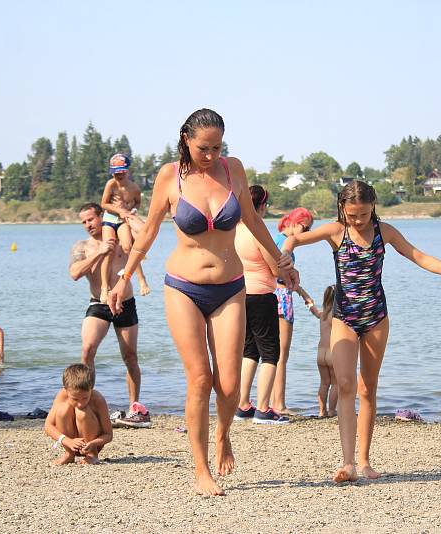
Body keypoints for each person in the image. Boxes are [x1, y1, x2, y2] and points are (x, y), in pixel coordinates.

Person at [107, 108, 299, 496]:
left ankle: (223, 434)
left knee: (228, 385)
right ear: (186, 140)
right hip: (184, 287)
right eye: (203, 148)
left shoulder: (234, 170)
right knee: (199, 379)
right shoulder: (169, 176)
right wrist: (124, 277)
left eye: (217, 147)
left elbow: (253, 221)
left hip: (230, 286)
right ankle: (200, 469)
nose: (210, 154)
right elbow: (146, 235)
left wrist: (281, 262)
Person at [282, 180, 441, 483]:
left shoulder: (385, 232)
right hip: (344, 317)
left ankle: (365, 461)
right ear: (342, 208)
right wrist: (288, 254)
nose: (358, 221)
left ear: (373, 208)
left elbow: (417, 255)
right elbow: (295, 239)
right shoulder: (335, 231)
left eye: (364, 215)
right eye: (352, 214)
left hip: (376, 318)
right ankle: (348, 464)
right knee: (345, 385)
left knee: (368, 388)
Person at [70, 202, 150, 428]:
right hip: (99, 303)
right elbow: (74, 273)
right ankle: (87, 402)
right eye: (83, 222)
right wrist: (99, 253)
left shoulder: (121, 239)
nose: (87, 225)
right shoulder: (83, 246)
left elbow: (144, 236)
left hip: (125, 302)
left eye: (91, 219)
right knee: (87, 350)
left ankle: (135, 407)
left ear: (102, 218)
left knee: (130, 356)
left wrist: (127, 216)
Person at [233, 186, 288, 424]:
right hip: (262, 295)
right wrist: (287, 272)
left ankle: (242, 404)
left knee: (249, 350)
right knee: (270, 352)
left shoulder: (235, 230)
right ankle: (264, 408)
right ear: (262, 206)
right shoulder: (257, 230)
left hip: (240, 294)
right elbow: (275, 268)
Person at [271, 207, 318, 415]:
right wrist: (305, 296)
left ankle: (268, 401)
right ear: (293, 222)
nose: (306, 232)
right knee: (282, 354)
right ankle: (279, 404)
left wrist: (305, 296)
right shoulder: (284, 245)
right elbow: (283, 276)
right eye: (304, 227)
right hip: (282, 297)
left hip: (270, 294)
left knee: (270, 353)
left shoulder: (274, 239)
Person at [99, 153, 150, 302]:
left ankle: (141, 280)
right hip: (110, 218)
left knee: (129, 247)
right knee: (108, 249)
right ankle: (104, 286)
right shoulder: (111, 184)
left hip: (123, 220)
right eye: (115, 172)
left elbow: (138, 202)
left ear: (127, 170)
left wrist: (131, 210)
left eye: (121, 172)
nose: (118, 175)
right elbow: (103, 204)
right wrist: (119, 210)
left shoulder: (134, 187)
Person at [44, 363, 113, 465]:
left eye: (85, 398)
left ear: (91, 388)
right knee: (63, 410)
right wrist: (67, 441)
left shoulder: (98, 399)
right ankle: (69, 454)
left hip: (91, 445)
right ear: (66, 390)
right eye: (75, 399)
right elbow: (48, 426)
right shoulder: (62, 395)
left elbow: (108, 435)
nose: (80, 403)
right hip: (70, 442)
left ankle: (92, 455)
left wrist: (93, 443)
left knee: (82, 412)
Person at [314, 285, 337, 417]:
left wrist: (305, 297)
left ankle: (322, 411)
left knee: (324, 383)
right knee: (335, 383)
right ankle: (332, 411)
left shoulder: (322, 315)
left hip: (320, 354)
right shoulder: (335, 316)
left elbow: (313, 309)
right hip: (331, 353)